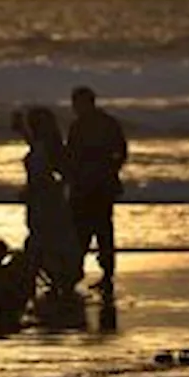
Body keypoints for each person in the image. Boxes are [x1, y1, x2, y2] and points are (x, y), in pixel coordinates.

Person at [65, 86, 128, 292]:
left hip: (90, 186)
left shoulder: (81, 126)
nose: (75, 107)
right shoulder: (106, 123)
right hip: (100, 184)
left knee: (85, 231)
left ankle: (78, 274)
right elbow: (121, 151)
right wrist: (111, 169)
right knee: (101, 230)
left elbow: (72, 156)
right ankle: (102, 274)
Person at [21, 107, 84, 295]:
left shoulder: (51, 146)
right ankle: (53, 276)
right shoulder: (43, 143)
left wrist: (46, 187)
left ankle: (51, 277)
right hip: (39, 198)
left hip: (46, 199)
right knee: (44, 237)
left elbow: (64, 172)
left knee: (45, 238)